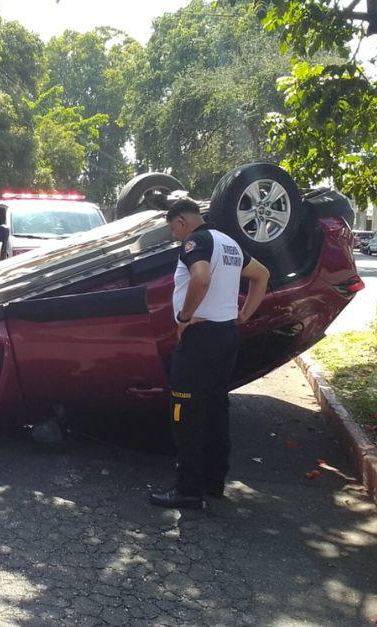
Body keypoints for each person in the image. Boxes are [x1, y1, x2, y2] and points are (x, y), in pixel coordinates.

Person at [149, 197, 269, 510]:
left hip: (200, 340)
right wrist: (244, 314)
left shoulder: (195, 242)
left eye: (173, 230)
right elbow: (262, 275)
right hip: (227, 335)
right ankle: (214, 483)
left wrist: (184, 318)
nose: (175, 236)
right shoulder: (229, 243)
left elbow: (200, 277)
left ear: (181, 222)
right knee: (216, 409)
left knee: (185, 413)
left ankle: (188, 489)